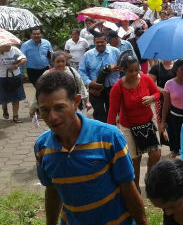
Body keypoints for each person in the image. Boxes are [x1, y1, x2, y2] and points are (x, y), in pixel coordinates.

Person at [34, 71, 147, 225]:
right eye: (44, 110)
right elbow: (53, 191)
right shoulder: (42, 147)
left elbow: (128, 188)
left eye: (59, 107)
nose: (52, 117)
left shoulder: (109, 137)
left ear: (76, 101)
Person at [107, 55, 161, 191]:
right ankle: (136, 190)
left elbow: (157, 93)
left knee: (156, 154)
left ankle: (149, 176)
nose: (134, 73)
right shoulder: (118, 87)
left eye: (136, 70)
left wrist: (151, 98)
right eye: (130, 71)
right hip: (129, 127)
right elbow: (112, 111)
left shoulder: (145, 79)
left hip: (148, 123)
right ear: (123, 70)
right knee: (135, 160)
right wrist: (110, 131)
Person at [78, 33, 121, 122]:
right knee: (99, 115)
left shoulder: (115, 51)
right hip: (95, 89)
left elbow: (124, 66)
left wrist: (118, 68)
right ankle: (101, 134)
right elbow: (81, 71)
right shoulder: (88, 55)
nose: (100, 44)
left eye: (102, 42)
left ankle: (111, 133)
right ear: (94, 42)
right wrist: (89, 82)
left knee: (112, 114)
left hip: (112, 87)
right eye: (97, 42)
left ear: (106, 41)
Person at [32, 51, 89, 116]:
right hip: (53, 103)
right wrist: (33, 107)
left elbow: (81, 85)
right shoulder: (47, 74)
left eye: (63, 61)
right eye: (58, 61)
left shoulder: (72, 71)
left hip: (71, 102)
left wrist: (86, 101)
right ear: (53, 62)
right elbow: (39, 91)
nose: (61, 64)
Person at [162, 59, 183, 158]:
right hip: (174, 117)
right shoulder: (169, 84)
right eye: (182, 69)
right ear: (176, 70)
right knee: (176, 142)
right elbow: (166, 104)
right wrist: (163, 121)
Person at [0, 43, 27, 122]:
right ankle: (5, 109)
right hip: (2, 77)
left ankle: (15, 116)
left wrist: (16, 66)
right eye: (6, 45)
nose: (8, 46)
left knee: (16, 97)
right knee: (3, 98)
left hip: (15, 76)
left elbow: (24, 59)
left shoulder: (14, 50)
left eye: (9, 45)